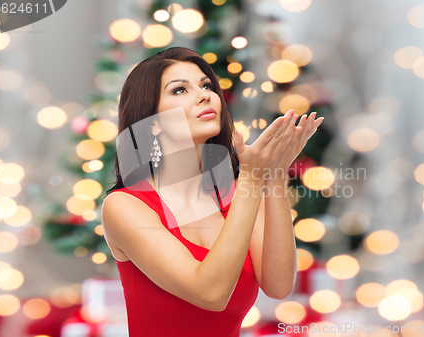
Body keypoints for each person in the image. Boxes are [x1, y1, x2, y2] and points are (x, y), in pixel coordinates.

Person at [101, 46, 324, 336]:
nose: (205, 95)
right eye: (180, 90)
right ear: (152, 123)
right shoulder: (124, 206)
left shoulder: (235, 195)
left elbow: (279, 285)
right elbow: (210, 294)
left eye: (206, 85)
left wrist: (275, 174)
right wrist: (253, 179)